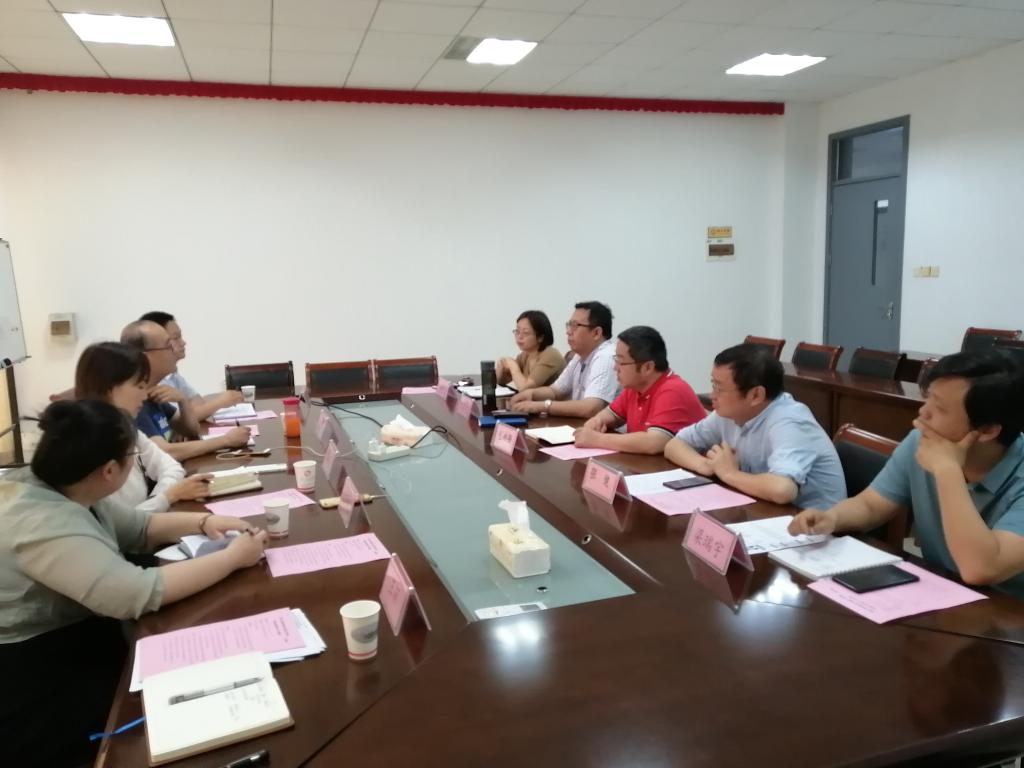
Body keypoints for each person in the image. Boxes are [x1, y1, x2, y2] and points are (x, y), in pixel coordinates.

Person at [0, 399, 268, 767]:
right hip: (38, 670)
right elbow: (136, 593)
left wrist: (204, 523)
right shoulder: (41, 521)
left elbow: (140, 527)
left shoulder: (68, 486)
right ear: (110, 470)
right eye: (133, 455)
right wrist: (232, 558)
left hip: (79, 632)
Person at [790, 352, 1024, 597]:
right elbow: (871, 505)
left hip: (1006, 612)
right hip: (942, 593)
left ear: (987, 431)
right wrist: (833, 517)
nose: (923, 413)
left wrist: (947, 470)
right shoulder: (921, 442)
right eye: (928, 398)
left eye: (939, 408)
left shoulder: (940, 455)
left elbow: (980, 569)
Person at [665, 343, 846, 508]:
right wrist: (704, 465)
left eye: (719, 388)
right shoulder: (729, 413)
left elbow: (783, 490)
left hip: (815, 525)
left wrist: (729, 474)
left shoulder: (790, 422)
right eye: (713, 385)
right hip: (765, 512)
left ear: (756, 395)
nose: (712, 395)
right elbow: (674, 444)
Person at [75, 342, 219, 512]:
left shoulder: (128, 428)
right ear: (109, 388)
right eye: (140, 386)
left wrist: (159, 500)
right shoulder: (87, 446)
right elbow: (116, 524)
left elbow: (172, 468)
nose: (144, 396)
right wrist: (168, 497)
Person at [121, 320, 250, 461]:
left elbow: (192, 429)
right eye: (169, 346)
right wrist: (226, 440)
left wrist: (182, 401)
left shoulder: (153, 393)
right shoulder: (133, 402)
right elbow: (164, 453)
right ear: (145, 357)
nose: (175, 351)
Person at [573, 326, 706, 455]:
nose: (615, 368)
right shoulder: (635, 387)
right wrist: (597, 421)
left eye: (621, 361)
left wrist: (597, 439)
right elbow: (611, 414)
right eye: (616, 359)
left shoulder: (672, 390)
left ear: (647, 367)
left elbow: (653, 443)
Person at [509, 301, 618, 419]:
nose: (568, 331)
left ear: (596, 333)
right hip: (583, 425)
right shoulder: (579, 356)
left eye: (575, 326)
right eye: (569, 325)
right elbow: (555, 392)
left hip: (607, 429)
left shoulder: (606, 357)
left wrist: (542, 406)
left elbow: (591, 408)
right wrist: (531, 394)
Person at [139, 311, 245, 421]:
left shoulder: (172, 374)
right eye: (176, 338)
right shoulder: (154, 381)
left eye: (180, 336)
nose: (183, 342)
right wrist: (220, 402)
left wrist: (189, 406)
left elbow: (198, 404)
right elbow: (182, 419)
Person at [496, 310, 565, 390]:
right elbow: (503, 381)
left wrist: (513, 366)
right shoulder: (524, 356)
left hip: (556, 398)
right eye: (517, 331)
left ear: (540, 337)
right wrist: (501, 367)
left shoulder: (550, 355)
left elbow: (525, 388)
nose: (519, 336)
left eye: (525, 332)